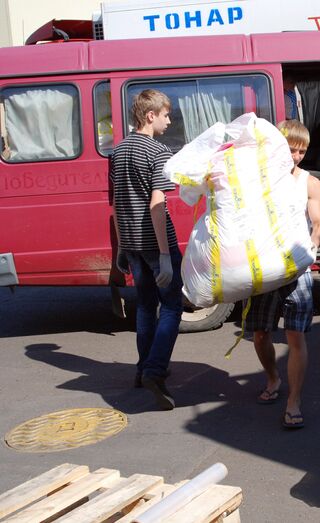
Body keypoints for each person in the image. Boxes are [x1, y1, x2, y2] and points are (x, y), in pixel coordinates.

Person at [246, 120, 320, 429]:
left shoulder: (309, 182)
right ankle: (272, 377)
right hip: (265, 268)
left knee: (295, 336)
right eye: (290, 149)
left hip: (297, 268)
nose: (295, 156)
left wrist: (312, 246)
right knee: (261, 333)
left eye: (301, 151)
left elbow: (318, 222)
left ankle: (294, 400)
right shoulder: (258, 179)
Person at [110, 89, 182, 411]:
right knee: (171, 307)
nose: (169, 120)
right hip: (155, 244)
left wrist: (121, 249)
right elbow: (157, 204)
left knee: (144, 306)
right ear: (150, 115)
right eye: (165, 114)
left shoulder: (118, 151)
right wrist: (166, 255)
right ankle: (155, 370)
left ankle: (143, 368)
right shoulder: (157, 151)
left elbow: (116, 205)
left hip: (133, 246)